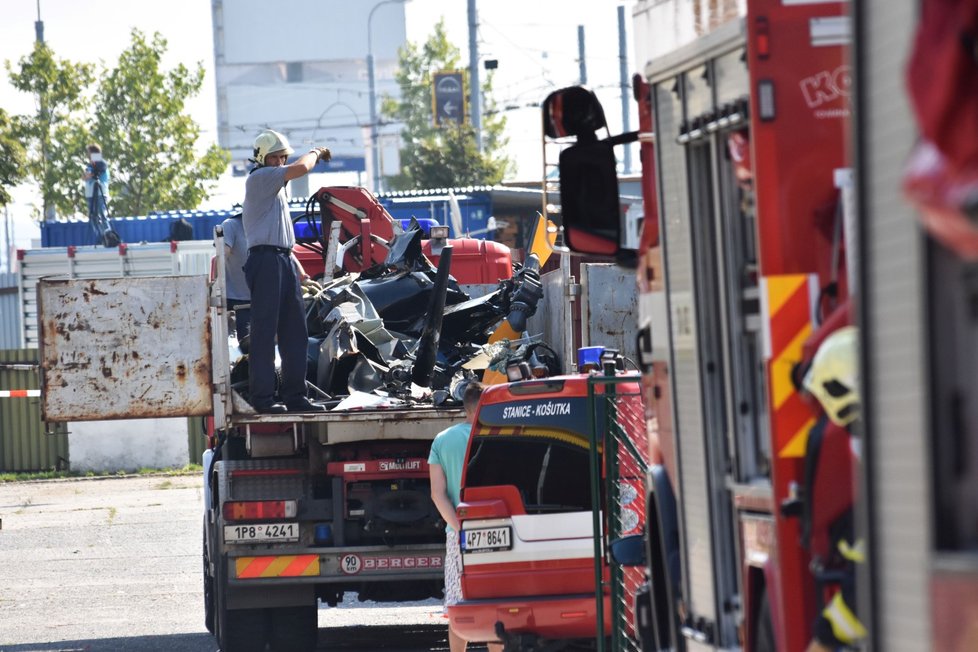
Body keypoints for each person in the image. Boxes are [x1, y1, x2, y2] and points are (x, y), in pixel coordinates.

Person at [242, 129, 330, 414]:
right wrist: (316, 151)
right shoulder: (260, 178)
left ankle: (295, 396)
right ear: (262, 158)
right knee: (265, 333)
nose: (281, 161)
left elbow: (284, 242)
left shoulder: (274, 189)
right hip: (266, 261)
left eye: (283, 157)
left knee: (295, 332)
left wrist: (299, 270)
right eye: (276, 157)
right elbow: (302, 167)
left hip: (281, 260)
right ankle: (263, 400)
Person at [428, 382, 503, 652]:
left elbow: (438, 494)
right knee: (496, 606)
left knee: (459, 606)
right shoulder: (501, 436)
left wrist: (459, 527)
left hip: (458, 534)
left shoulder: (442, 440)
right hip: (498, 531)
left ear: (465, 406)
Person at [220, 213, 251, 344]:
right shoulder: (231, 225)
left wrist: (303, 277)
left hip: (265, 299)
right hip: (239, 302)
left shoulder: (268, 224)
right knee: (244, 348)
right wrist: (214, 285)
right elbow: (221, 255)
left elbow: (288, 253)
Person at [83, 143, 109, 220]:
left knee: (102, 215)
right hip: (90, 193)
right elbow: (84, 176)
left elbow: (93, 173)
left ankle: (106, 231)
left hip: (100, 193)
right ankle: (99, 232)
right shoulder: (90, 165)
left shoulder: (101, 162)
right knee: (93, 217)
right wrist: (88, 174)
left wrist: (90, 174)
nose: (88, 155)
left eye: (89, 152)